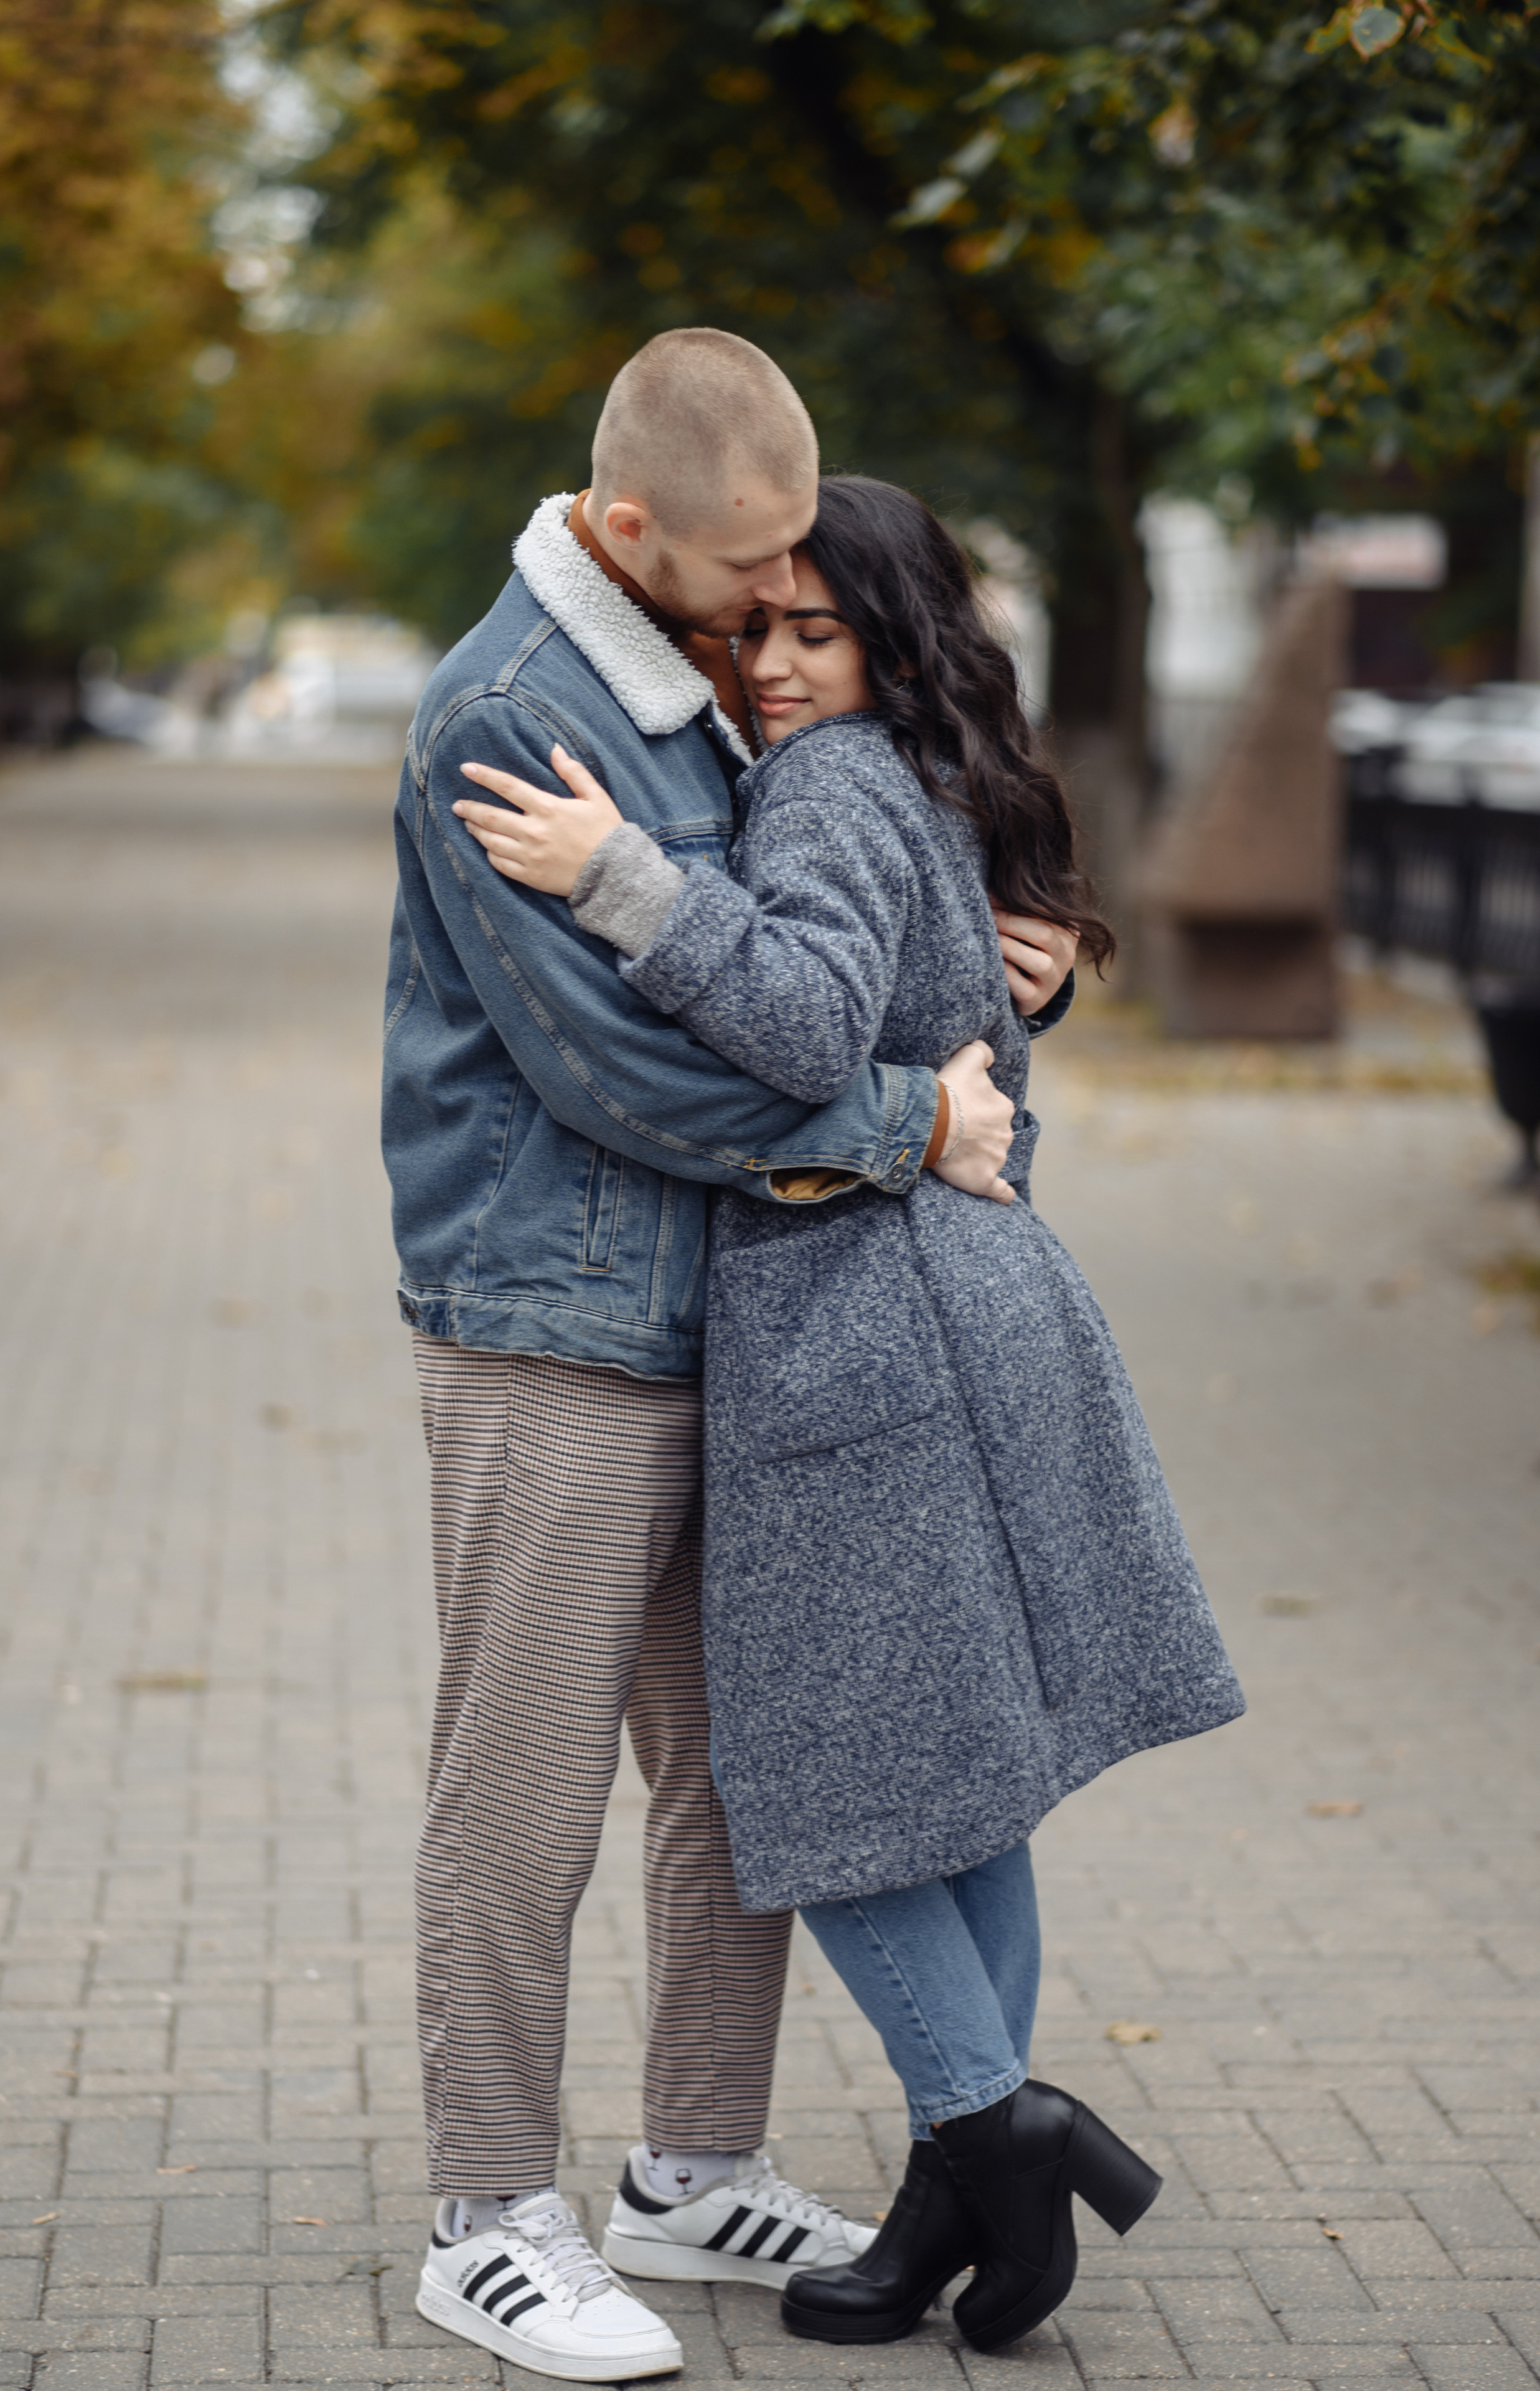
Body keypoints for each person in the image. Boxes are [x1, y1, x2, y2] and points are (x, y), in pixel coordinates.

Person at [453, 473, 1248, 2357]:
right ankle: (959, 2187)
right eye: (760, 628)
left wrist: (623, 881)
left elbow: (812, 1033)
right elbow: (964, 1053)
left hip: (863, 1344)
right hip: (966, 1310)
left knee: (834, 1793)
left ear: (895, 639)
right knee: (955, 1779)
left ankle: (997, 2128)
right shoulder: (939, 786)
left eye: (819, 630)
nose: (776, 661)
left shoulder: (816, 781)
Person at [383, 333, 1080, 2377]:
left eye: (805, 573)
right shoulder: (511, 711)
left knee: (740, 1777)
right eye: (746, 570)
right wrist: (913, 1128)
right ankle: (488, 2213)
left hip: (742, 1315)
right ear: (626, 530)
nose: (779, 611)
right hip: (557, 1324)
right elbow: (616, 1074)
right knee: (519, 1787)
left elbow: (826, 939)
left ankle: (692, 2168)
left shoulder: (689, 673)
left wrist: (1012, 968)